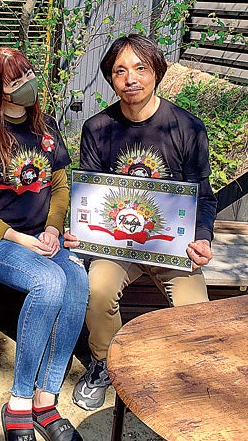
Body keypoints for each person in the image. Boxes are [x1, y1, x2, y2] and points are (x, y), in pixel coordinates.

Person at [65, 34, 217, 411]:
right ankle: (104, 363)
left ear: (156, 73)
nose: (130, 78)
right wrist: (80, 230)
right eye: (120, 71)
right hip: (117, 244)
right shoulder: (98, 128)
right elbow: (90, 195)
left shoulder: (187, 128)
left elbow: (204, 195)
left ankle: (183, 376)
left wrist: (202, 238)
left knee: (196, 313)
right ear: (111, 79)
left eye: (140, 68)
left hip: (172, 246)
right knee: (98, 290)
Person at [0, 46, 88, 441]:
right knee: (49, 282)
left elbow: (60, 186)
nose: (29, 83)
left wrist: (53, 229)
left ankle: (46, 399)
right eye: (16, 80)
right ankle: (19, 401)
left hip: (44, 237)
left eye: (28, 73)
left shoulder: (46, 127)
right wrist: (20, 239)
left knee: (76, 280)